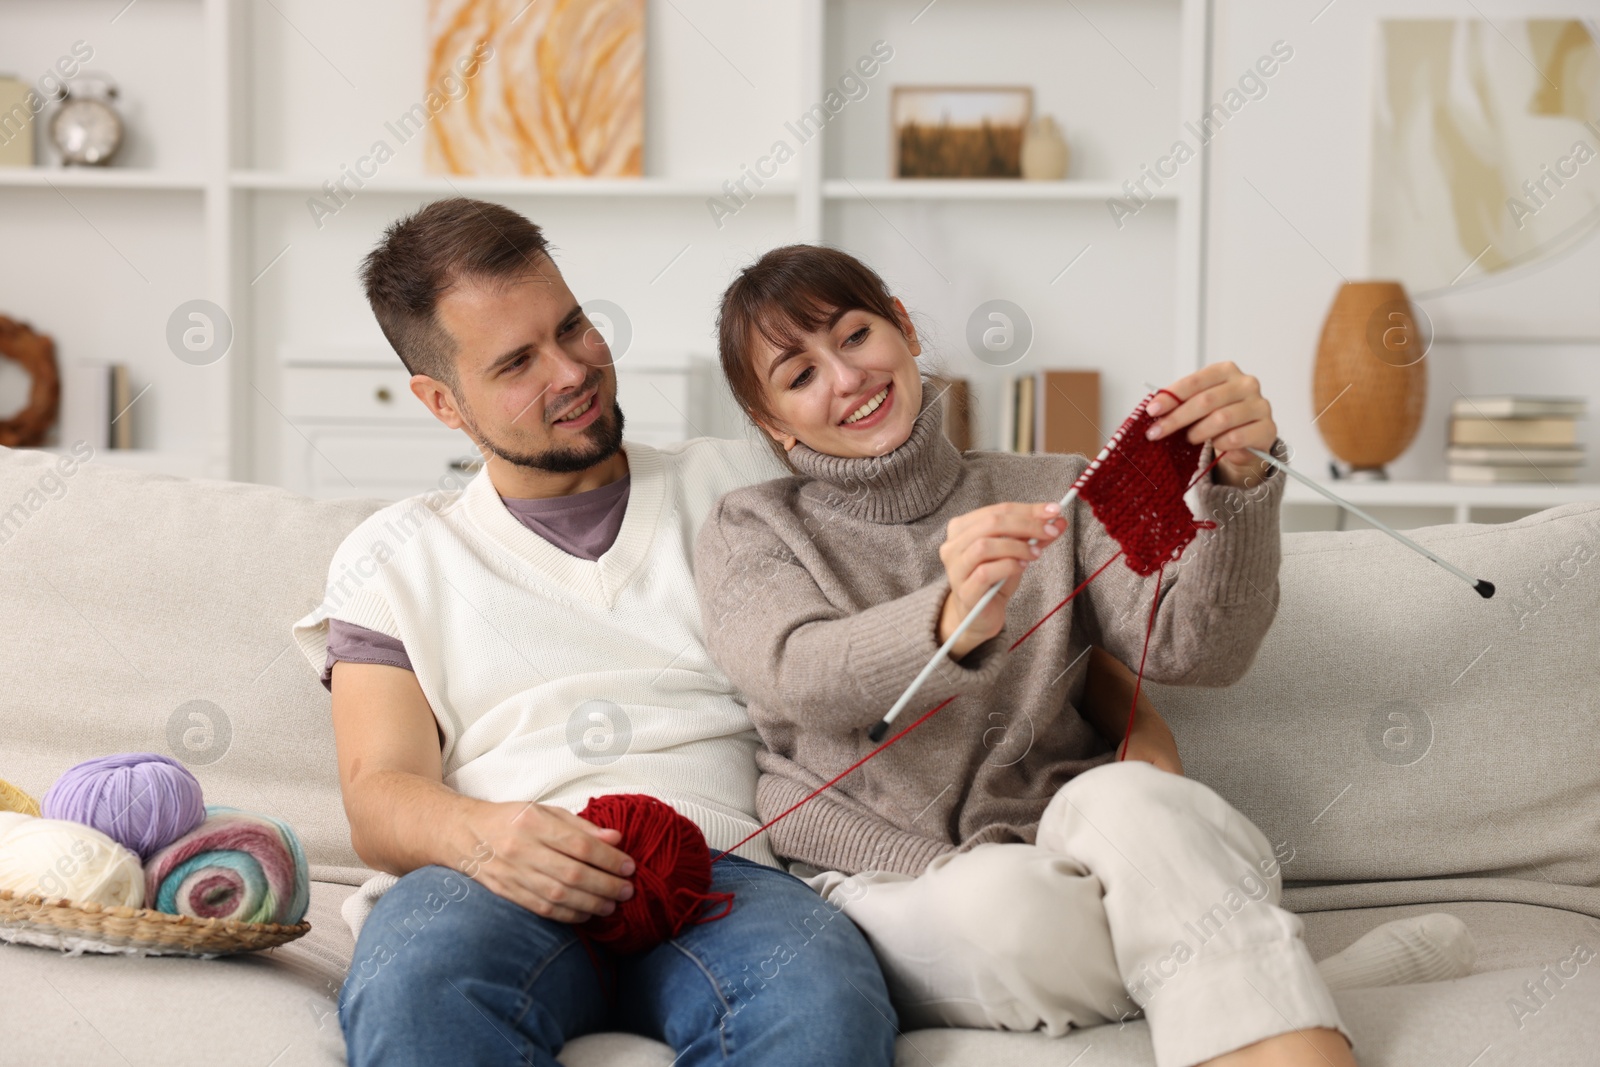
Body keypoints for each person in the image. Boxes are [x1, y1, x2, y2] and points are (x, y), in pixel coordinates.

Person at [692, 244, 1476, 1067]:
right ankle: (1288, 974)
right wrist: (948, 617)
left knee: (1144, 803)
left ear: (906, 329)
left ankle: (1270, 1020)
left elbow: (1195, 650)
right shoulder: (751, 526)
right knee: (1014, 906)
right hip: (893, 880)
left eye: (854, 335)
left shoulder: (1057, 482)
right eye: (799, 374)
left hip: (1076, 847)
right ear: (773, 424)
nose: (845, 377)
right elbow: (798, 672)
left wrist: (1240, 485)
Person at [289, 200, 906, 1067]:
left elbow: (939, 530)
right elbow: (379, 791)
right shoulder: (395, 556)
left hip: (728, 867)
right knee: (416, 995)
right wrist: (489, 836)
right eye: (516, 362)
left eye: (572, 325)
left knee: (823, 1005)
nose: (573, 368)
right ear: (441, 401)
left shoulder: (742, 481)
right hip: (493, 875)